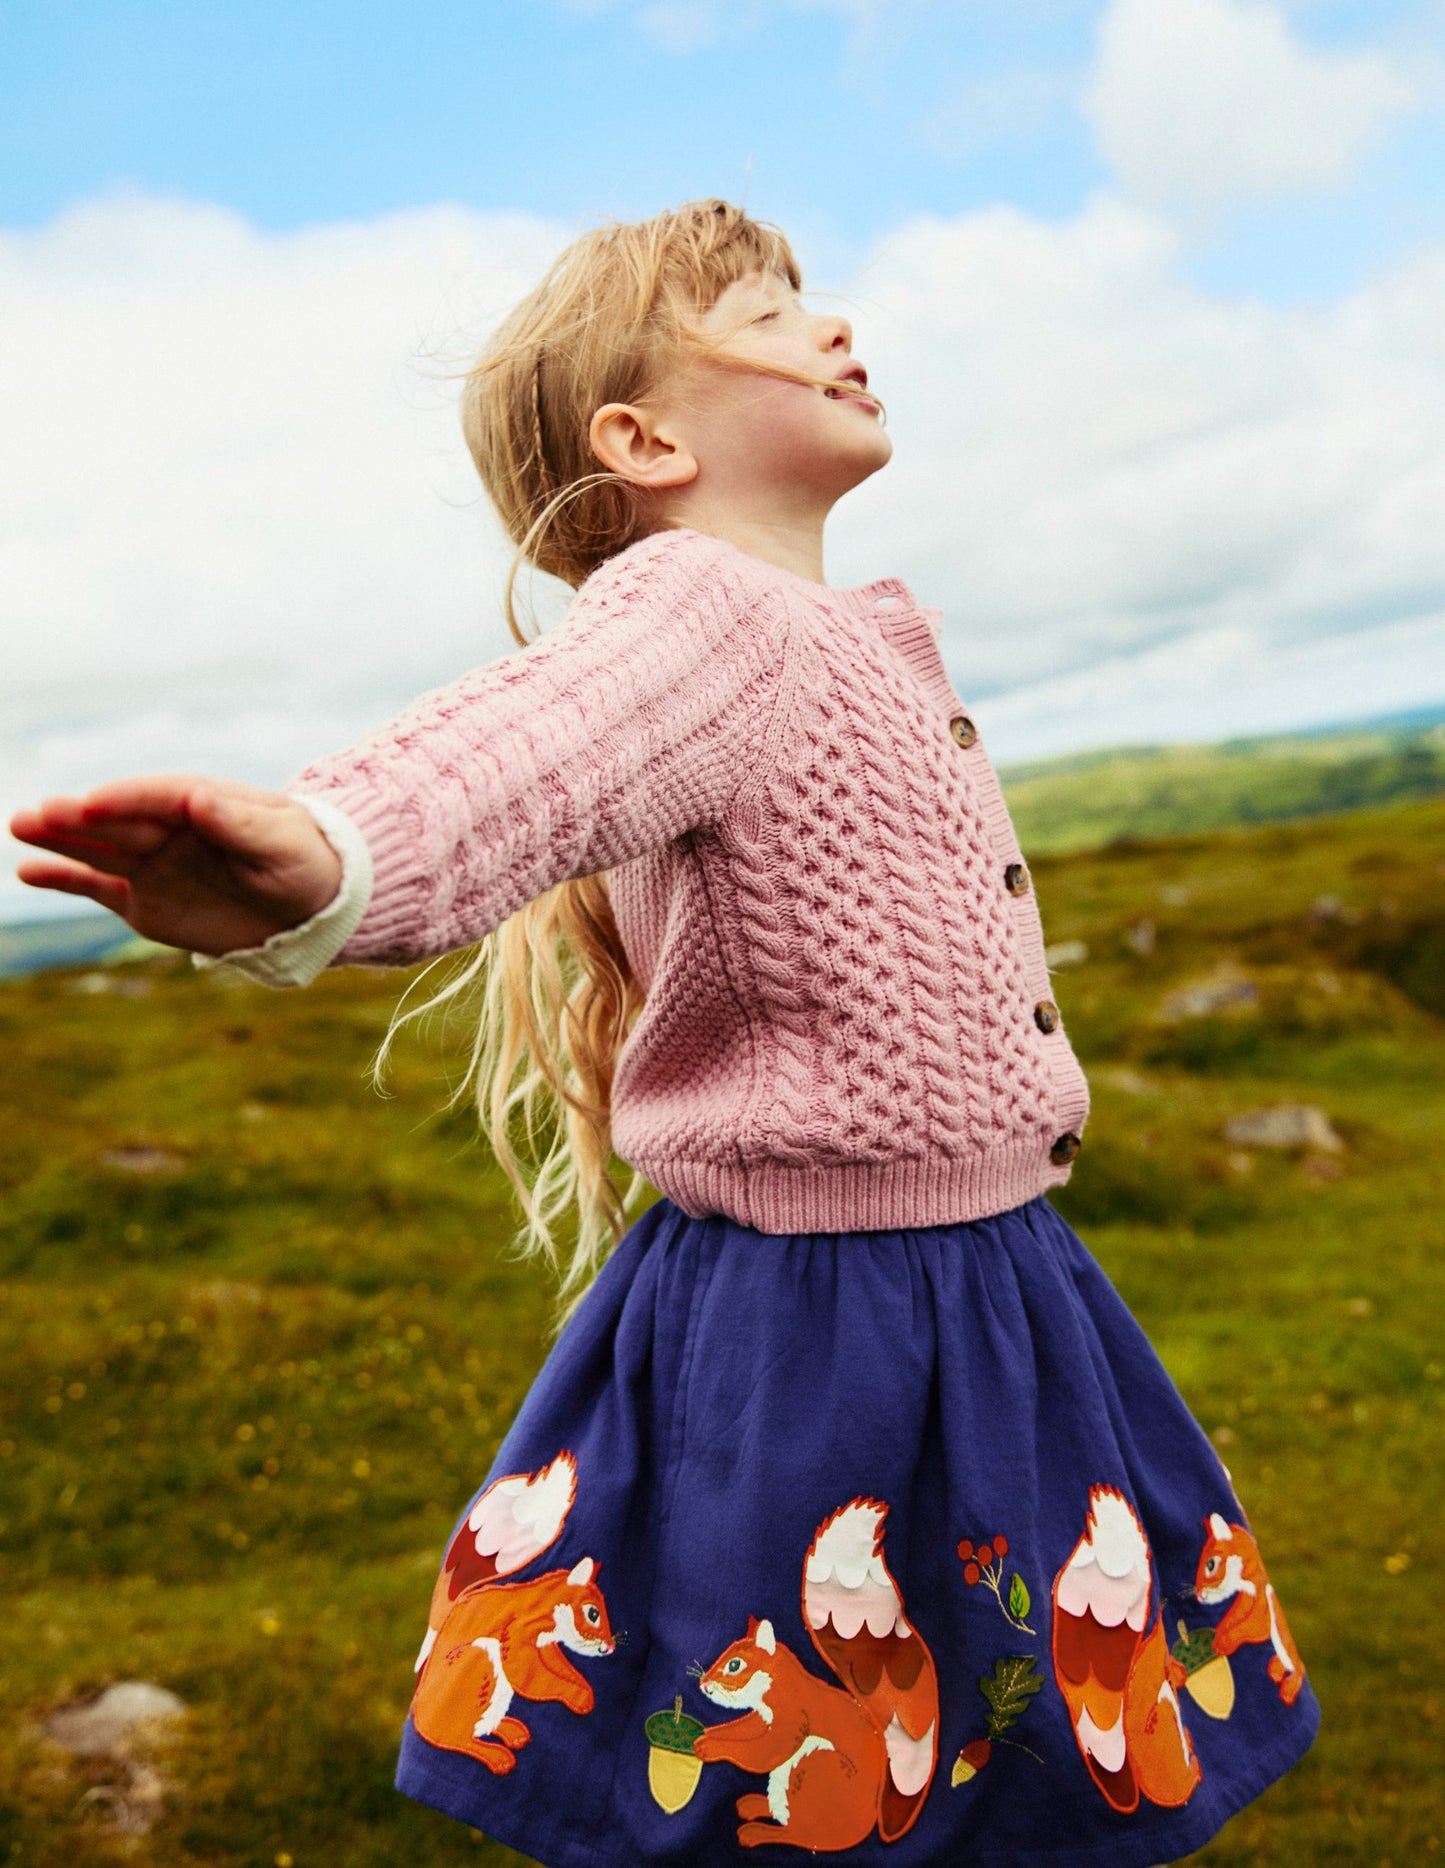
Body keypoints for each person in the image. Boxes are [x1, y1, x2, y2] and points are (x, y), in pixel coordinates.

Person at [10, 199, 1318, 1867]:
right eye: (769, 315)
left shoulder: (832, 632)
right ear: (642, 439)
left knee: (993, 1749)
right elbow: (514, 759)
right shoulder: (701, 609)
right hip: (824, 1329)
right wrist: (326, 860)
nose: (834, 324)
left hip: (988, 1287)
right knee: (812, 1780)